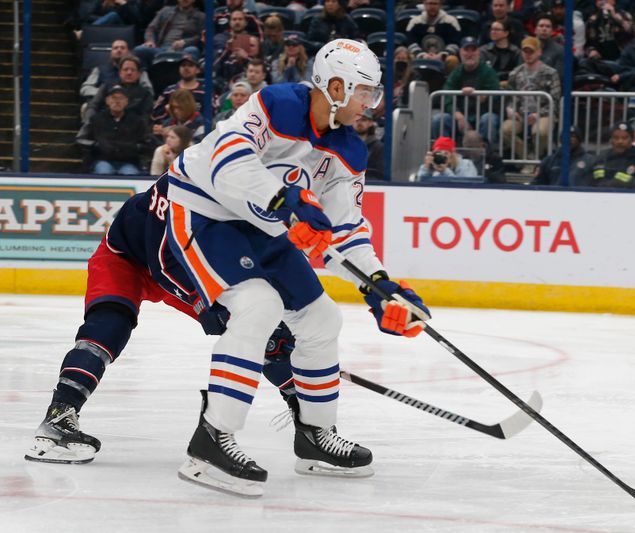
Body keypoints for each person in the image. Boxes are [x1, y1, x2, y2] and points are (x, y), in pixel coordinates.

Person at [165, 38, 429, 496]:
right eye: (364, 91)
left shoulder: (350, 150)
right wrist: (281, 197)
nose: (370, 102)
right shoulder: (276, 104)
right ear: (336, 86)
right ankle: (210, 440)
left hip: (262, 229)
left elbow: (344, 229)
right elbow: (227, 157)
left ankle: (314, 438)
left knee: (323, 318)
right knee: (258, 307)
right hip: (205, 211)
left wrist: (378, 284)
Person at [24, 174, 295, 470]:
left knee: (261, 328)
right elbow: (161, 265)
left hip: (188, 264)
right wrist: (207, 305)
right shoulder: (184, 183)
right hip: (126, 259)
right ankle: (59, 416)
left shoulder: (260, 187)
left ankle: (310, 421)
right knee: (108, 327)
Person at [502, 36, 561, 166]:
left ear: (539, 52)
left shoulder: (551, 73)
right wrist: (510, 109)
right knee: (505, 130)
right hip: (521, 113)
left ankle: (536, 158)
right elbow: (510, 96)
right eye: (525, 52)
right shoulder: (515, 73)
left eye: (531, 52)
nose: (528, 55)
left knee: (539, 131)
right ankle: (527, 158)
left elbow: (555, 100)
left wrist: (538, 114)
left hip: (545, 113)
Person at [431, 37, 501, 145]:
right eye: (466, 50)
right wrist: (459, 116)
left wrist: (482, 96)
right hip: (461, 116)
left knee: (489, 119)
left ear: (478, 52)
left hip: (482, 114)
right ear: (460, 52)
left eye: (473, 50)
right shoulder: (456, 72)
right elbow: (446, 97)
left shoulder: (488, 72)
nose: (470, 54)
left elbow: (497, 95)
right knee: (439, 119)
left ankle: (487, 156)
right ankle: (444, 153)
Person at [77, 85, 149, 175]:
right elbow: (84, 139)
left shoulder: (137, 121)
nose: (117, 101)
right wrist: (98, 146)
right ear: (107, 100)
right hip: (102, 160)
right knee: (104, 171)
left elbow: (145, 143)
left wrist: (132, 148)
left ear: (127, 101)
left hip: (129, 162)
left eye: (121, 98)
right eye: (114, 98)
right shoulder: (96, 119)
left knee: (130, 173)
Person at [134, 0, 205, 68]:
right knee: (139, 50)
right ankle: (145, 77)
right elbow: (151, 28)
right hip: (161, 49)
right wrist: (150, 41)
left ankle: (187, 79)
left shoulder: (201, 16)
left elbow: (200, 36)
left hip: (183, 50)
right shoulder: (165, 11)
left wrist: (185, 42)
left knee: (192, 50)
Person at [80, 40, 153, 103]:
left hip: (132, 105)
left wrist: (126, 95)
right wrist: (105, 93)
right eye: (115, 48)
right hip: (103, 104)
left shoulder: (139, 70)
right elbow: (85, 88)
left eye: (122, 48)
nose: (119, 50)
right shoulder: (99, 69)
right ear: (111, 52)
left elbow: (149, 92)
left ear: (128, 52)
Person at [589, 121, 635, 188]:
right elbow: (588, 181)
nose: (620, 141)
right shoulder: (601, 158)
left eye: (624, 138)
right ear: (611, 140)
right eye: (616, 138)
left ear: (631, 140)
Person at [151, 55, 206, 124]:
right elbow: (155, 114)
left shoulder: (205, 92)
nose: (186, 68)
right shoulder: (169, 91)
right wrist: (168, 109)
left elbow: (212, 114)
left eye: (190, 65)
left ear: (198, 70)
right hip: (171, 128)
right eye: (183, 65)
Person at [354, 109, 384, 180]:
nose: (359, 123)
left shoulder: (379, 147)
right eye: (356, 120)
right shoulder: (345, 145)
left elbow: (379, 174)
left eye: (363, 120)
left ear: (371, 122)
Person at [534, 14, 565, 79]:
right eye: (541, 26)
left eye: (548, 26)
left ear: (552, 31)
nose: (544, 29)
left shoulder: (560, 51)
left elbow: (558, 77)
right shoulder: (527, 49)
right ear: (535, 30)